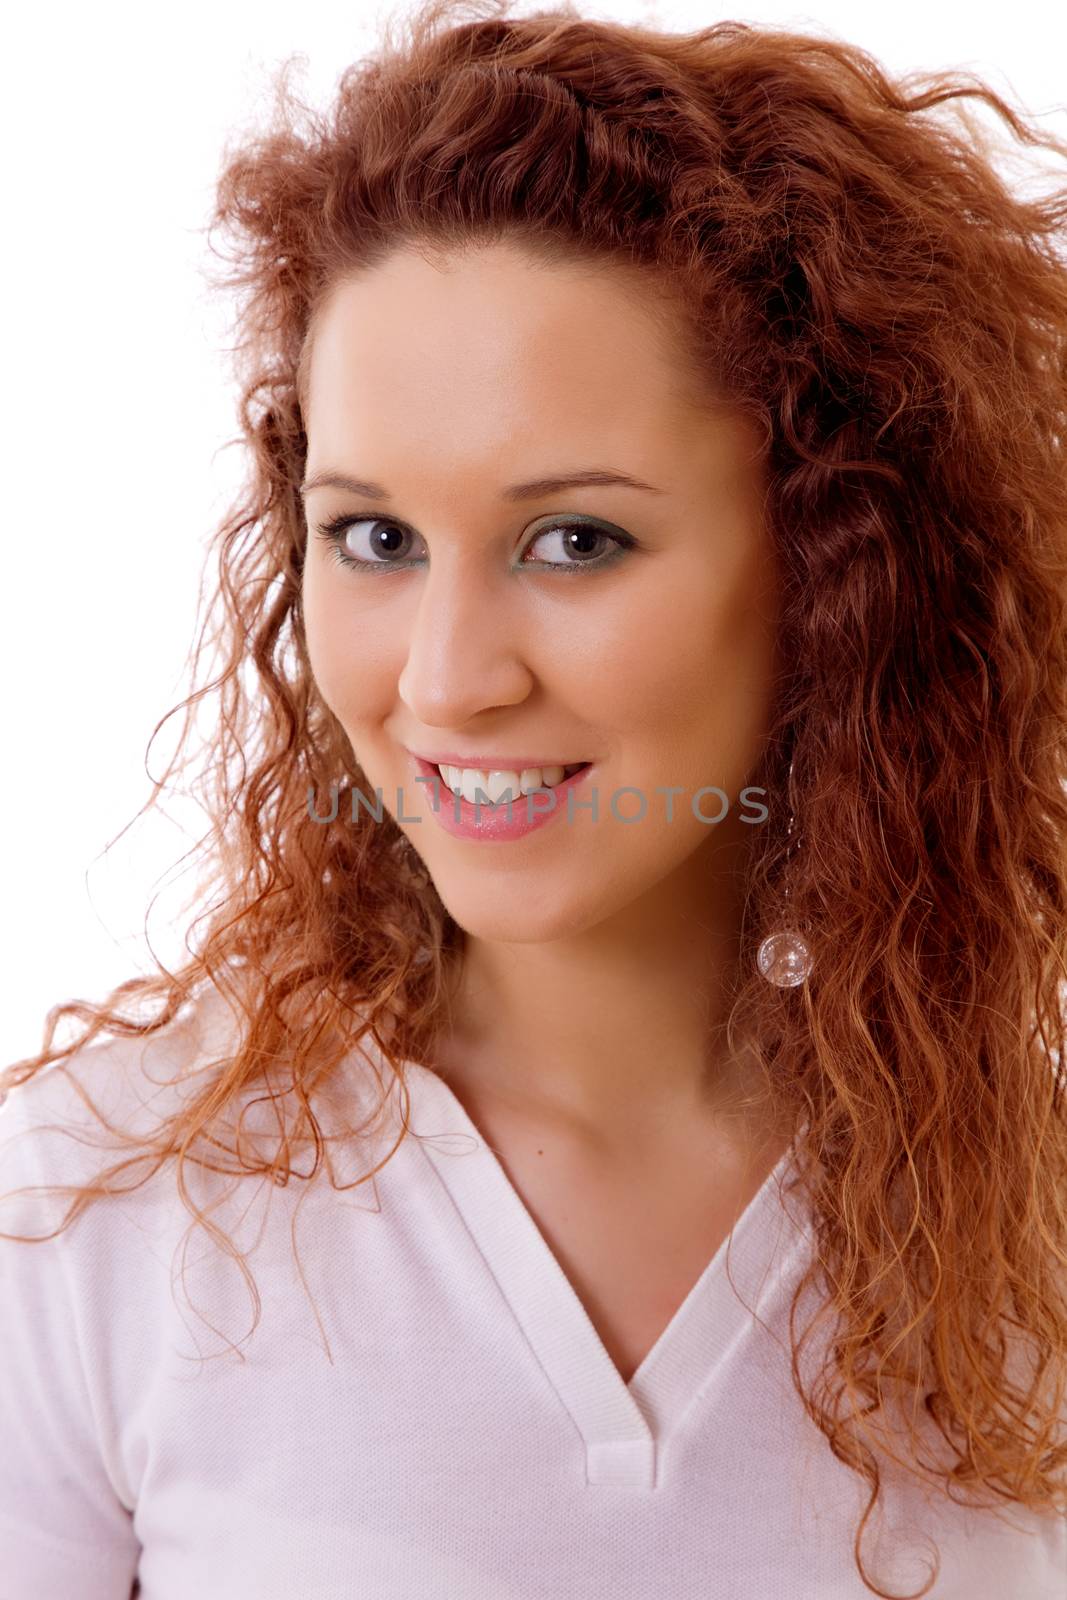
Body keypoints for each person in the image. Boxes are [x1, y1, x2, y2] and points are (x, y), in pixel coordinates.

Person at [2, 2, 1066, 1595]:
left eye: (574, 541)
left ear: (841, 568)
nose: (444, 680)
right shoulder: (94, 1219)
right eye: (374, 538)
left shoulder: (1032, 1228)